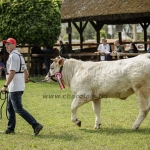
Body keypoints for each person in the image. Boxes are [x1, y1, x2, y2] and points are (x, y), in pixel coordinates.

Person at [1, 38, 43, 135]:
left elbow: (12, 72)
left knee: (18, 109)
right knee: (10, 108)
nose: (6, 46)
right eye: (5, 44)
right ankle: (10, 129)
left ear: (13, 45)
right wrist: (25, 78)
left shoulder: (13, 56)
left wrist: (5, 85)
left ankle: (36, 125)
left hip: (15, 86)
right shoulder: (20, 55)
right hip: (17, 86)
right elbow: (25, 71)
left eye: (8, 44)